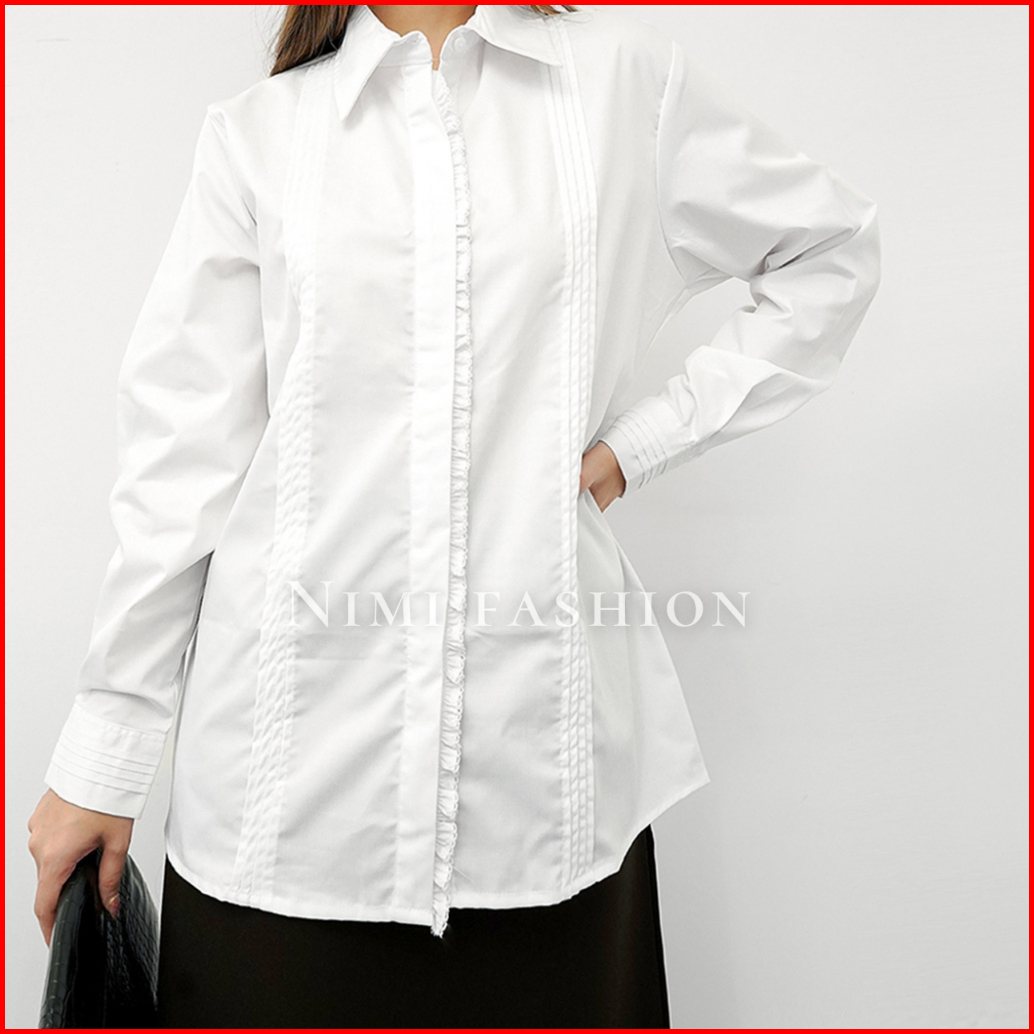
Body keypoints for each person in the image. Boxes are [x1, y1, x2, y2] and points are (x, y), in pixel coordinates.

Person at [27, 4, 880, 1027]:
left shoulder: (623, 83)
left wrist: (641, 444)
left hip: (543, 804)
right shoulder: (260, 132)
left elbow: (828, 251)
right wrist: (105, 757)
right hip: (283, 809)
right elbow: (182, 464)